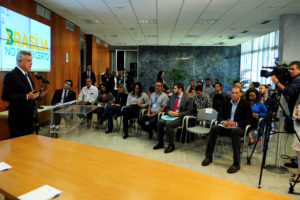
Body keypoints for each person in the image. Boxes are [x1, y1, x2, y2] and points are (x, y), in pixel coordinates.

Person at [202, 86, 252, 173]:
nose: (234, 95)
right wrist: (223, 122)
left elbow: (248, 120)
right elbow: (220, 116)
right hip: (226, 126)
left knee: (235, 131)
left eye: (236, 93)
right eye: (232, 93)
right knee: (214, 128)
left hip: (238, 128)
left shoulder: (246, 104)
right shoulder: (226, 102)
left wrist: (235, 123)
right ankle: (208, 157)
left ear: (240, 94)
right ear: (230, 93)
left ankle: (236, 163)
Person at [2, 50, 46, 138]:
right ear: (19, 61)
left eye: (31, 61)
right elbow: (5, 96)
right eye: (28, 61)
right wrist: (26, 96)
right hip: (18, 120)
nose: (31, 63)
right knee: (18, 148)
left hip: (29, 118)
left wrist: (38, 95)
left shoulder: (27, 75)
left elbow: (29, 94)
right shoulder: (11, 75)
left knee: (28, 147)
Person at [153, 83, 193, 153]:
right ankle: (160, 142)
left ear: (180, 89)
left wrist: (178, 113)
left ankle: (171, 145)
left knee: (168, 124)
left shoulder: (188, 99)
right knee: (160, 122)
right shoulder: (172, 97)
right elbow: (167, 108)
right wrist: (168, 112)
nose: (173, 90)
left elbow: (189, 112)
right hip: (170, 115)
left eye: (175, 88)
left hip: (179, 117)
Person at [291, 96, 300, 182]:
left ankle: (299, 173)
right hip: (297, 126)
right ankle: (299, 171)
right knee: (298, 150)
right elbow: (296, 105)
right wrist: (295, 115)